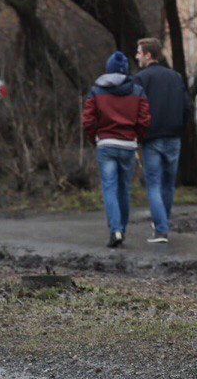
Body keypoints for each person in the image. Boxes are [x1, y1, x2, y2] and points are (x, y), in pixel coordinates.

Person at [82, 52, 150, 248]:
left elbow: (88, 119)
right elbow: (145, 119)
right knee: (124, 190)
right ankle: (123, 229)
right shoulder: (137, 91)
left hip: (106, 144)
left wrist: (95, 138)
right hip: (128, 145)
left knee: (109, 189)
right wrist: (137, 137)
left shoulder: (96, 91)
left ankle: (115, 230)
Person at [134, 38, 191, 243]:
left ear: (149, 55)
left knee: (153, 184)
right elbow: (186, 107)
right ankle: (162, 223)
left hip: (151, 139)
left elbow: (136, 110)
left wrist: (138, 134)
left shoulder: (140, 79)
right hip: (174, 137)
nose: (136, 56)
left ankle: (160, 230)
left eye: (139, 52)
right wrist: (179, 127)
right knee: (168, 184)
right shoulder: (175, 77)